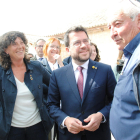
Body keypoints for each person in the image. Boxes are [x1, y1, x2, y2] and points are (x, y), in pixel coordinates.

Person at [48, 26, 116, 140]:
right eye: (77, 43)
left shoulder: (105, 70)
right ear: (67, 50)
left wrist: (101, 115)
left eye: (86, 41)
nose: (84, 45)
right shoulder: (58, 74)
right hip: (69, 136)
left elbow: (115, 100)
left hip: (98, 135)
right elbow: (51, 105)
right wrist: (65, 120)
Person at [0, 31, 53, 140]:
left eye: (21, 42)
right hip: (12, 130)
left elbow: (54, 86)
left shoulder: (36, 66)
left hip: (38, 127)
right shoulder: (1, 72)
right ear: (5, 50)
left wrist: (49, 109)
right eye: (14, 44)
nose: (20, 46)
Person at [107, 0, 140, 139]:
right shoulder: (129, 53)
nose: (112, 33)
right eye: (109, 27)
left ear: (138, 21)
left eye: (117, 24)